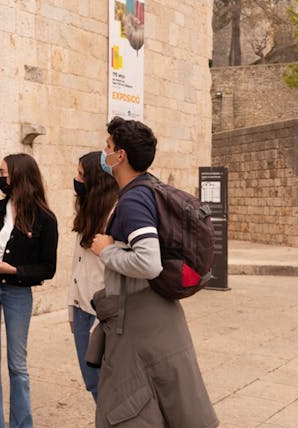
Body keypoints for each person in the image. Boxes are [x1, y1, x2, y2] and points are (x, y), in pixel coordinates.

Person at [89, 117, 218, 427]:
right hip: (152, 320)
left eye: (108, 147)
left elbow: (149, 262)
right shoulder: (147, 189)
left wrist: (106, 250)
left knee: (128, 407)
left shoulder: (134, 198)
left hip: (139, 321)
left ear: (120, 156)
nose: (103, 154)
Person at [0, 153, 59, 428]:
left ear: (19, 175)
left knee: (17, 366)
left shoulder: (44, 218)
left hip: (17, 293)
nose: (0, 178)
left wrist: (14, 270)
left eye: (3, 172)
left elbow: (48, 267)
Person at [68, 151, 117, 402]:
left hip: (102, 315)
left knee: (105, 387)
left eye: (81, 175)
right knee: (92, 384)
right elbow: (76, 266)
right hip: (80, 310)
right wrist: (70, 309)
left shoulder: (116, 217)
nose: (77, 180)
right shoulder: (88, 213)